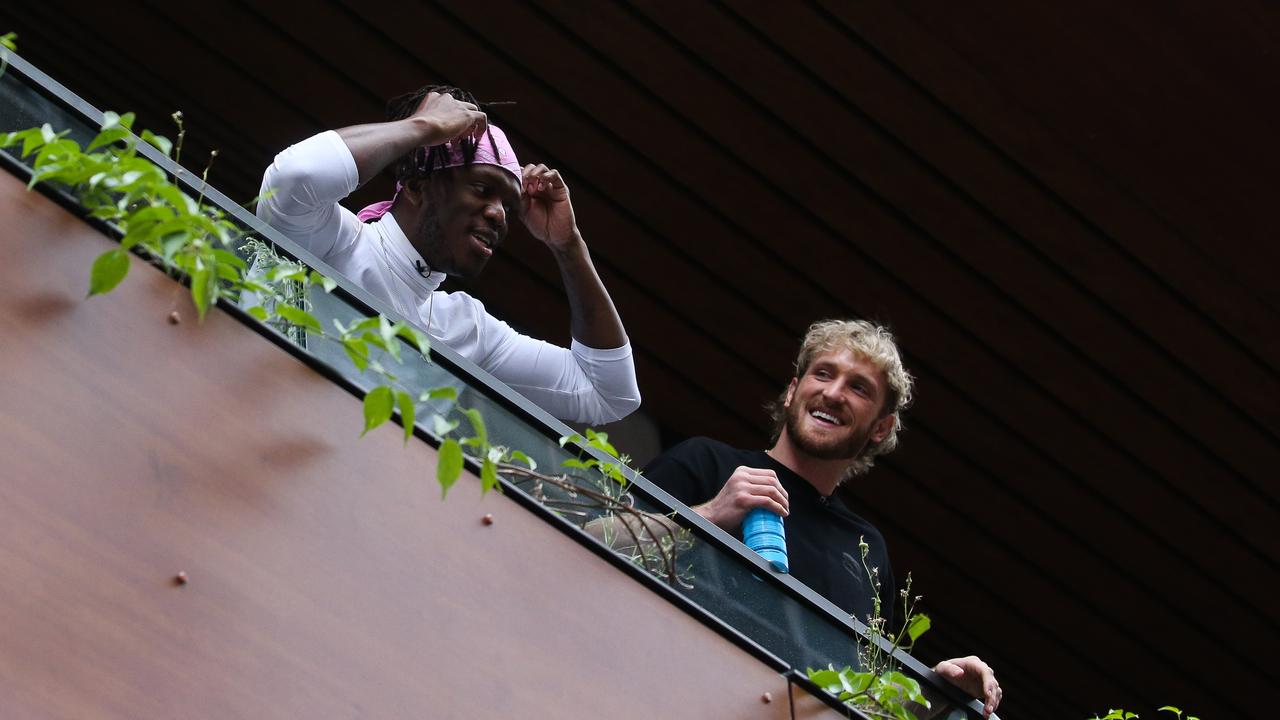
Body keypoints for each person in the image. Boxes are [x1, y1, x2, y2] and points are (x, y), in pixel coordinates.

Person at [642, 319, 1002, 718]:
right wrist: (709, 514)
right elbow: (595, 538)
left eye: (858, 387)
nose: (833, 393)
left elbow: (864, 700)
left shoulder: (866, 549)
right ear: (793, 391)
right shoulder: (707, 462)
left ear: (881, 428)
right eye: (823, 374)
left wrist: (937, 689)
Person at [256, 85, 640, 425]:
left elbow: (607, 395)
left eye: (509, 203)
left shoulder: (466, 328)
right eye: (481, 188)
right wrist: (424, 129)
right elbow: (294, 176)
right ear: (417, 186)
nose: (499, 214)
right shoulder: (332, 240)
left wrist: (568, 245)